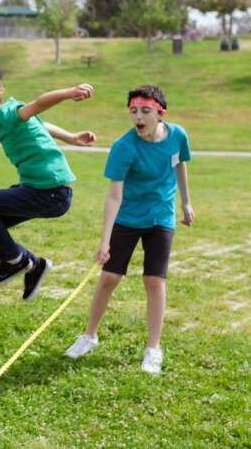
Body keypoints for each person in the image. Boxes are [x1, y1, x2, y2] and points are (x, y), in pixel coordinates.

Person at [65, 85, 193, 374]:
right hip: (128, 216)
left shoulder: (177, 136)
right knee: (109, 276)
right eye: (134, 111)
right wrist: (104, 241)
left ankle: (153, 348)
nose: (138, 117)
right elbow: (114, 195)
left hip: (160, 215)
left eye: (145, 111)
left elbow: (179, 164)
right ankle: (89, 336)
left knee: (154, 281)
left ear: (160, 113)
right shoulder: (124, 147)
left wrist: (186, 202)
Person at [0, 73, 95, 301]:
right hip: (40, 191)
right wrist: (70, 137)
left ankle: (16, 261)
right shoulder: (7, 122)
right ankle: (34, 265)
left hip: (51, 192)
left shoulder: (9, 114)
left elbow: (38, 105)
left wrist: (69, 93)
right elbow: (40, 123)